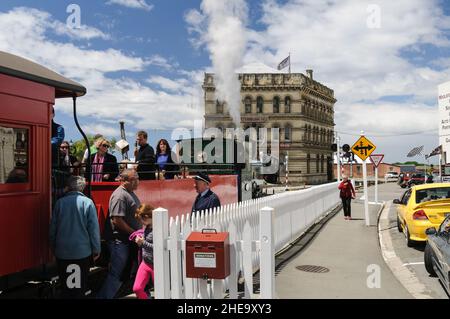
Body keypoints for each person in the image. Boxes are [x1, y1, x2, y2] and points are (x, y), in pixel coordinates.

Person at [49, 176, 101, 298]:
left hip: (62, 252)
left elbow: (53, 229)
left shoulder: (59, 203)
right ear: (82, 188)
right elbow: (93, 230)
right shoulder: (87, 203)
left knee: (66, 287)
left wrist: (53, 247)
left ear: (68, 187)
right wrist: (96, 249)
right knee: (77, 288)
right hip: (81, 253)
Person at [97, 169, 141, 299]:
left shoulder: (130, 193)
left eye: (137, 178)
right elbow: (116, 220)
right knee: (117, 274)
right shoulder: (119, 195)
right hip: (120, 241)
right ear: (124, 181)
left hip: (126, 241)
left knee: (124, 273)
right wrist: (134, 233)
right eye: (134, 179)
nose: (137, 181)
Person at [132, 204, 154, 300]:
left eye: (142, 219)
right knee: (137, 288)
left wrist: (143, 243)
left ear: (147, 216)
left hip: (156, 265)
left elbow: (158, 248)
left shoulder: (159, 228)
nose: (141, 222)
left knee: (162, 291)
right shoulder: (148, 226)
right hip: (145, 263)